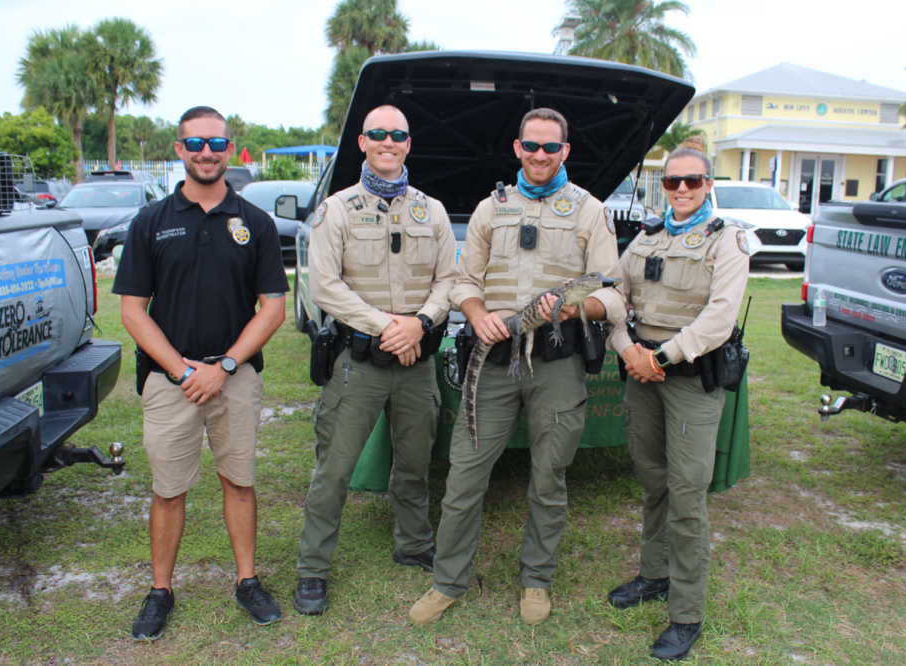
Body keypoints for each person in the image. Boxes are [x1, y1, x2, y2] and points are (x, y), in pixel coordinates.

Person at [408, 108, 626, 627]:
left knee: (548, 476)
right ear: (517, 147)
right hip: (495, 360)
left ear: (565, 152)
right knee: (464, 475)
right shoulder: (491, 208)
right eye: (532, 146)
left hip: (556, 361)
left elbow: (614, 293)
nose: (541, 155)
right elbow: (463, 279)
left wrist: (581, 307)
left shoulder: (590, 210)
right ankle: (447, 581)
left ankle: (536, 580)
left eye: (551, 147)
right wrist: (477, 312)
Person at [114, 106, 289, 640]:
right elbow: (132, 310)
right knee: (168, 490)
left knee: (239, 482)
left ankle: (248, 581)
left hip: (234, 377)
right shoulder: (151, 221)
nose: (207, 153)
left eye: (217, 143)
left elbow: (274, 306)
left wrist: (226, 366)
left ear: (230, 150)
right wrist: (182, 369)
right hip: (171, 381)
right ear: (179, 149)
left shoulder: (254, 222)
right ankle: (160, 590)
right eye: (196, 144)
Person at [293, 105, 460, 616]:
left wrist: (422, 323)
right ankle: (312, 569)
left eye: (398, 135)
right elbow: (325, 285)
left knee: (414, 462)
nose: (389, 142)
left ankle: (413, 543)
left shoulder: (431, 211)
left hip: (417, 361)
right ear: (362, 142)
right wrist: (389, 325)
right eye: (378, 134)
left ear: (409, 144)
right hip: (358, 362)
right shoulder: (337, 210)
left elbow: (450, 281)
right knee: (335, 468)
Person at [606, 137, 749, 661]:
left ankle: (686, 613)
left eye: (693, 180)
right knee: (652, 479)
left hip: (686, 378)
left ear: (708, 184)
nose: (682, 189)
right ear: (662, 186)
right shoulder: (645, 237)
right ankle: (655, 573)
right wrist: (627, 351)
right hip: (642, 374)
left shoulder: (726, 240)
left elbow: (719, 318)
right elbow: (612, 297)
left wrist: (659, 358)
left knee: (687, 494)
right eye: (673, 181)